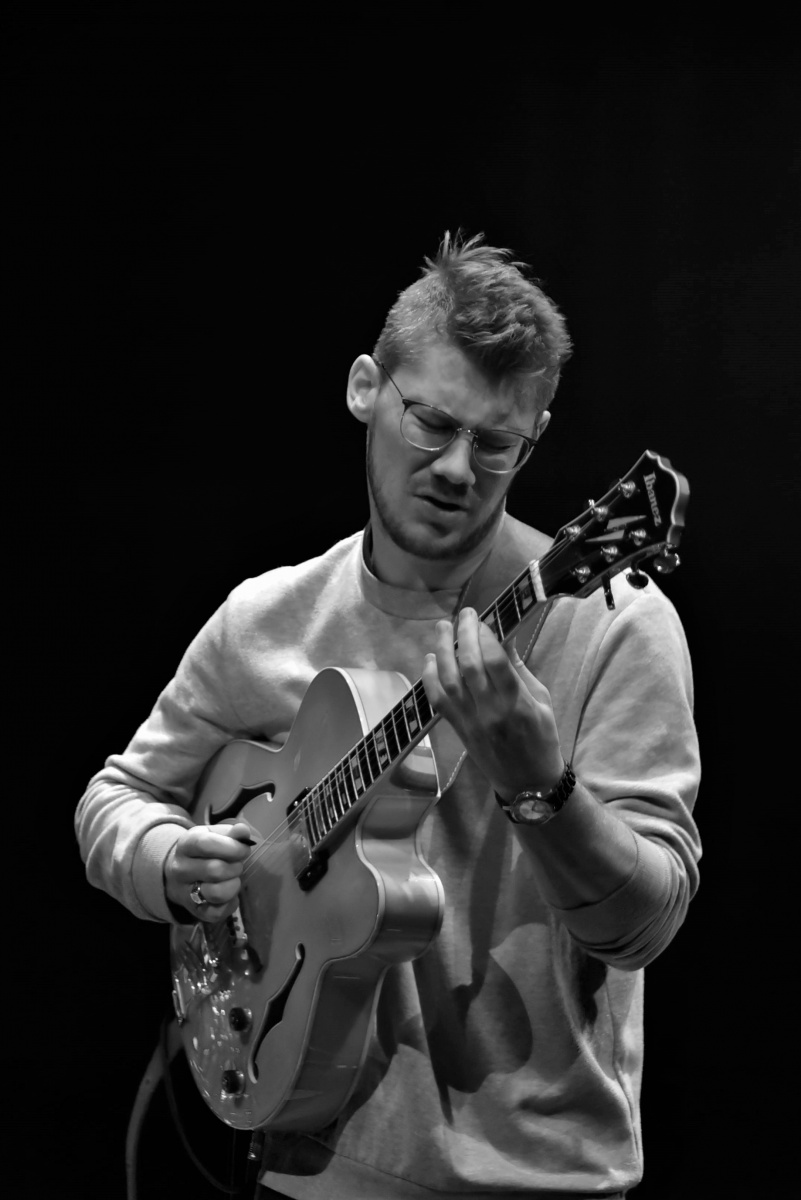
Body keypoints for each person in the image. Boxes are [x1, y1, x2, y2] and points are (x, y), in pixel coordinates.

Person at [76, 232, 701, 1199]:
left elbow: (641, 926)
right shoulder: (267, 618)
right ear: (366, 388)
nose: (455, 467)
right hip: (302, 1162)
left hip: (532, 1184)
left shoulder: (611, 626)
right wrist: (165, 860)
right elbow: (116, 798)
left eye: (494, 443)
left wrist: (538, 786)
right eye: (430, 422)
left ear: (535, 437)